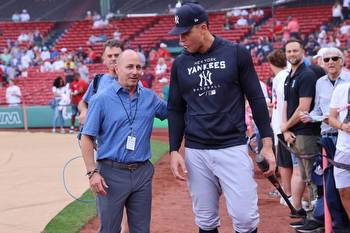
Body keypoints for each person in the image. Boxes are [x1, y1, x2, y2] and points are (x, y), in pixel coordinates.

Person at [168, 3, 275, 233]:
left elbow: (256, 98)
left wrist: (267, 143)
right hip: (196, 151)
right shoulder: (179, 64)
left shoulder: (235, 53)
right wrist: (174, 149)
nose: (181, 40)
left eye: (186, 33)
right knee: (205, 220)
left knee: (246, 219)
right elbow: (175, 108)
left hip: (232, 147)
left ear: (203, 27)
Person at [80, 49, 167, 233]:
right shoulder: (100, 99)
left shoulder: (150, 97)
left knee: (141, 229)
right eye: (129, 67)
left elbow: (174, 112)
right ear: (116, 69)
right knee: (110, 229)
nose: (135, 71)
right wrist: (92, 172)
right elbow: (86, 137)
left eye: (138, 67)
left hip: (142, 172)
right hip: (111, 174)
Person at [294, 48, 350, 231]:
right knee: (331, 186)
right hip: (328, 138)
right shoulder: (320, 83)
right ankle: (336, 225)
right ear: (322, 63)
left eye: (335, 58)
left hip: (344, 137)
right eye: (327, 60)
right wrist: (309, 117)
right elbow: (318, 110)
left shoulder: (348, 81)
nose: (331, 62)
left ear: (342, 61)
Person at [78, 39, 130, 232]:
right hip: (102, 147)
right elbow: (83, 103)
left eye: (117, 55)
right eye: (110, 55)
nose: (113, 59)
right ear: (104, 58)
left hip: (124, 146)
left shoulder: (130, 79)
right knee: (106, 190)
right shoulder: (98, 81)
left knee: (126, 188)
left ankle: (124, 226)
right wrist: (84, 111)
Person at [281, 39, 320, 220]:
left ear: (303, 51)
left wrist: (286, 126)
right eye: (289, 51)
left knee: (311, 178)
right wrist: (285, 129)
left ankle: (314, 218)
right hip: (294, 133)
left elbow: (303, 107)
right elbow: (286, 104)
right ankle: (309, 216)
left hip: (306, 133)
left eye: (295, 51)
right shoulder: (290, 76)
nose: (292, 54)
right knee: (304, 176)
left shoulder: (307, 75)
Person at [267, 49, 293, 206]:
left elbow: (286, 102)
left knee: (285, 162)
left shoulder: (282, 77)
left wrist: (285, 126)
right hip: (280, 125)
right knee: (284, 161)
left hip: (282, 127)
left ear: (271, 64)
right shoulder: (281, 77)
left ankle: (288, 193)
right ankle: (287, 191)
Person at [329, 81, 350, 221]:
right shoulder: (341, 89)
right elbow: (331, 118)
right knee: (343, 191)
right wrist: (343, 126)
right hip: (344, 148)